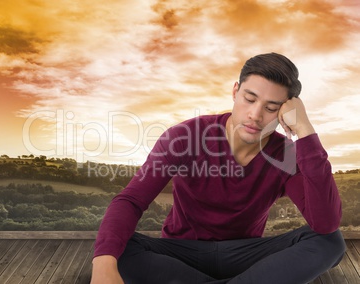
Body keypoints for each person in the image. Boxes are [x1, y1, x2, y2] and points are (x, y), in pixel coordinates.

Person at [90, 52, 346, 284]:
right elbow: (131, 200)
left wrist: (305, 130)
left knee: (329, 242)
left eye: (271, 108)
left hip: (246, 254)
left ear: (284, 112)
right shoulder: (183, 137)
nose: (255, 115)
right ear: (235, 92)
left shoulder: (288, 155)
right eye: (249, 99)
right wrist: (103, 266)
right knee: (114, 245)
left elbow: (324, 223)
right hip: (181, 254)